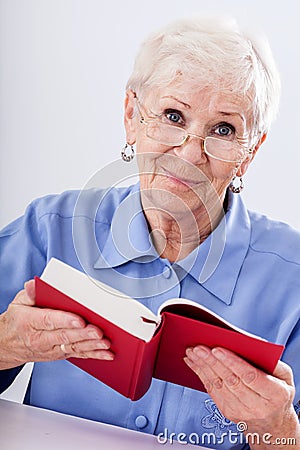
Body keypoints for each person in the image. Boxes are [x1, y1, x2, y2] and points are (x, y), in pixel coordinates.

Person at [0, 15, 299, 449]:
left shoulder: (292, 283)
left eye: (223, 129)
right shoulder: (48, 230)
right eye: (173, 116)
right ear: (131, 117)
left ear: (249, 152)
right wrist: (7, 344)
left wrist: (277, 430)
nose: (191, 152)